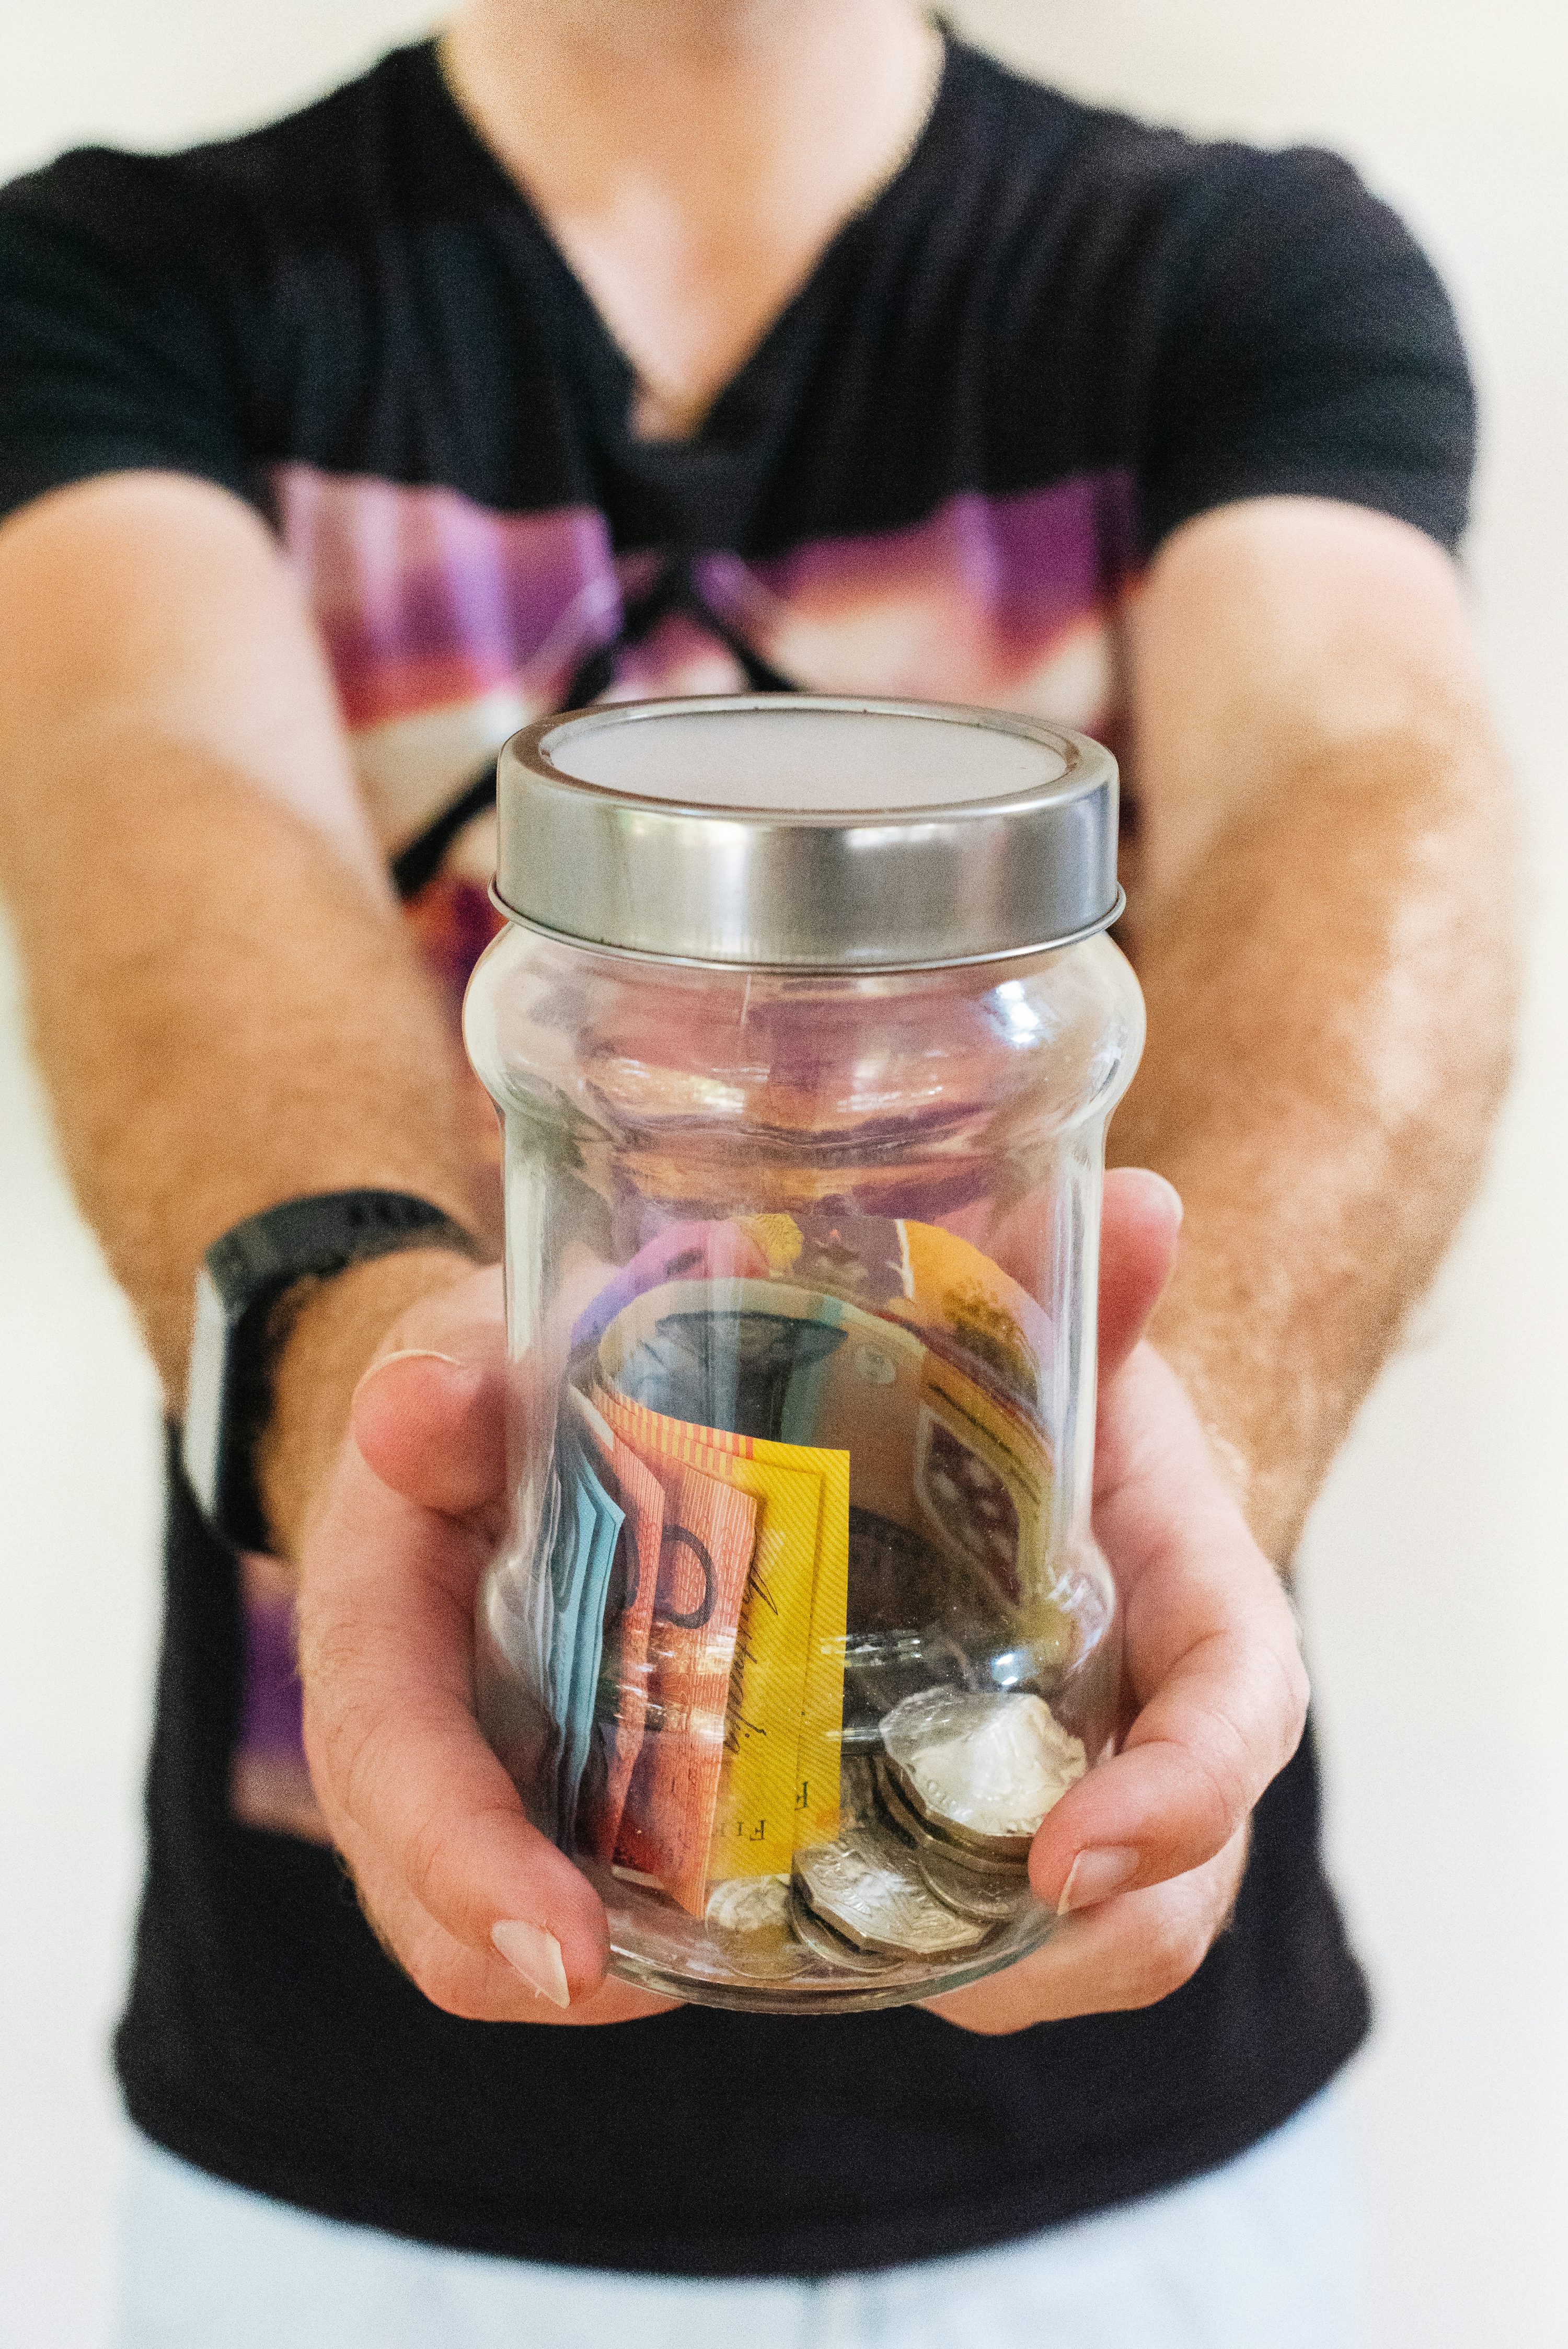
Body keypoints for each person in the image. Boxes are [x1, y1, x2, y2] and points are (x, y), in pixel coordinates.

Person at [0, 1, 1515, 2341]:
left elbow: (1360, 779)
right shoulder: (125, 278)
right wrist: (376, 1386)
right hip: (362, 2151)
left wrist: (1153, 1453)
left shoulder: (1237, 272)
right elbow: (152, 788)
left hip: (1132, 2152)